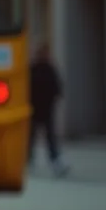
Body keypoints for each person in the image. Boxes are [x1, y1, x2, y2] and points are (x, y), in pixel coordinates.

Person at [27, 43, 67, 176]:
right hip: (34, 109)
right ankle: (28, 161)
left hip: (46, 109)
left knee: (50, 137)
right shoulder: (33, 69)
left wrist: (54, 98)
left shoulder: (49, 69)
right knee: (31, 137)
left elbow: (57, 87)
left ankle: (55, 161)